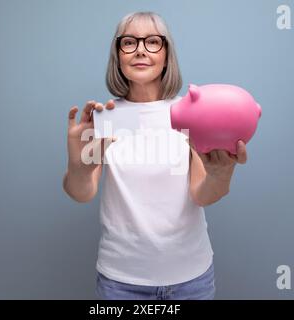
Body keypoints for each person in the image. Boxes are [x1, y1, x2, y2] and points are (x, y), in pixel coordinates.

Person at [63, 11, 247, 300]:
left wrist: (221, 174)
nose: (140, 50)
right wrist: (79, 166)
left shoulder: (189, 114)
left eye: (152, 42)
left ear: (166, 54)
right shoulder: (103, 117)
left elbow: (202, 194)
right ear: (118, 54)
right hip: (121, 284)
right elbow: (81, 192)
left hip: (191, 281)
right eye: (129, 42)